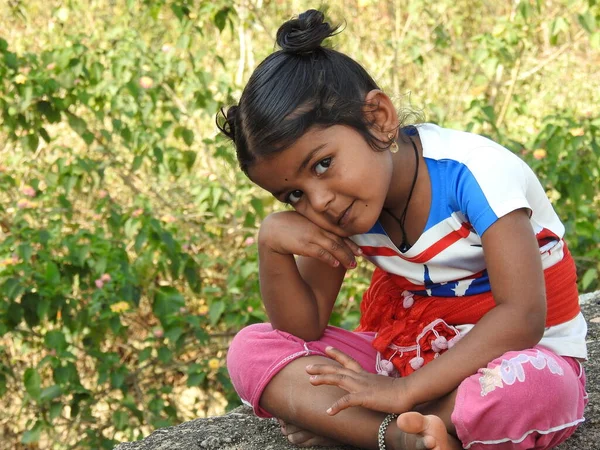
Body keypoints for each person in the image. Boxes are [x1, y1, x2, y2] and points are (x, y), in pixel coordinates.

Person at [217, 9, 588, 450]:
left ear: (378, 117)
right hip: (410, 357)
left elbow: (522, 318)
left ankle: (359, 427)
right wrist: (271, 247)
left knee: (532, 390)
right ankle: (404, 439)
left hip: (513, 359)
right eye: (292, 195)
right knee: (252, 349)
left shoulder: (476, 173)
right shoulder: (345, 206)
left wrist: (402, 393)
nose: (318, 202)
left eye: (322, 164)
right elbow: (304, 326)